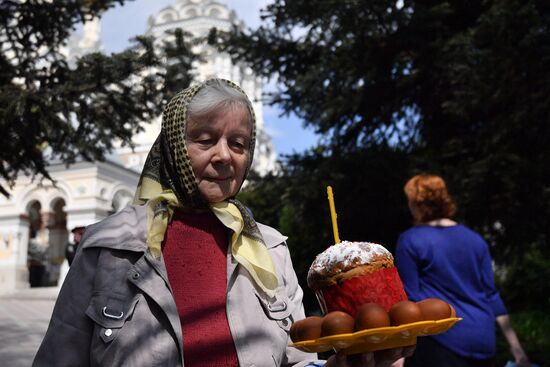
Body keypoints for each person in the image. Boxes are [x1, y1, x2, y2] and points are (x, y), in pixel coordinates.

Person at [33, 78, 412, 367]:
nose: (224, 156)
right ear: (174, 146)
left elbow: (296, 358)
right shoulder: (111, 247)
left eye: (239, 143)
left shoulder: (268, 249)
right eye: (205, 139)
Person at [394, 174, 530, 367]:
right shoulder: (475, 240)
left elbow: (410, 300)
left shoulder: (410, 240)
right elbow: (491, 296)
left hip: (441, 340)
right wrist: (517, 350)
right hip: (484, 339)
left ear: (416, 203)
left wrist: (398, 354)